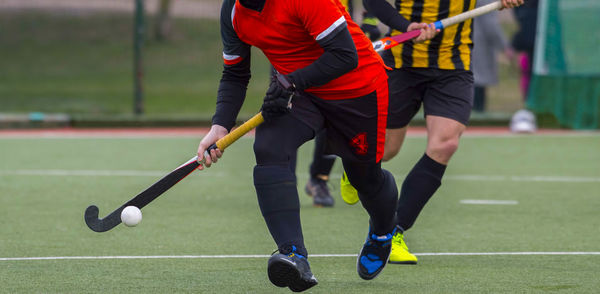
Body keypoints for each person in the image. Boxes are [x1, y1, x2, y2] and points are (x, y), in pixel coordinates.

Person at [196, 0, 399, 291]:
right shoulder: (232, 12)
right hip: (302, 93)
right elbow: (235, 74)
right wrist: (219, 125)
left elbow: (345, 56)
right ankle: (294, 255)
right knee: (269, 148)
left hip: (356, 88)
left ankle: (382, 232)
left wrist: (291, 82)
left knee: (364, 178)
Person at [340, 0, 524, 265]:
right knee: (386, 149)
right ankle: (355, 166)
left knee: (445, 144)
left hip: (453, 66)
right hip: (402, 62)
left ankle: (393, 234)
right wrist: (406, 26)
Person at [303, 4, 382, 208]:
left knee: (333, 114)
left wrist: (370, 19)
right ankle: (283, 183)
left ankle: (319, 179)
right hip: (299, 38)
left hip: (336, 35)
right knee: (285, 111)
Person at [472, 0, 513, 112]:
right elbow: (490, 26)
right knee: (478, 81)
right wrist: (505, 47)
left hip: (462, 42)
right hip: (478, 44)